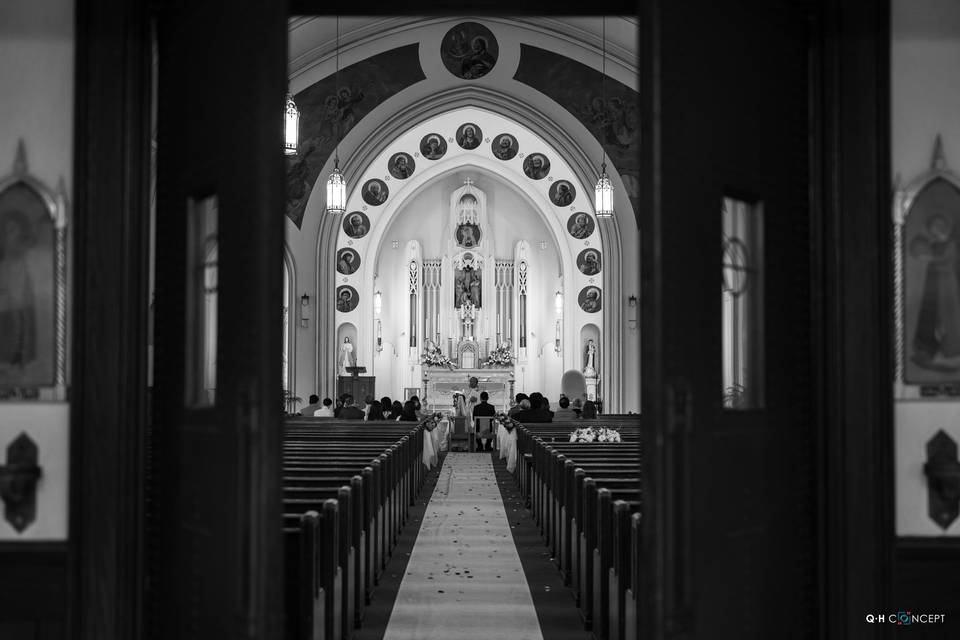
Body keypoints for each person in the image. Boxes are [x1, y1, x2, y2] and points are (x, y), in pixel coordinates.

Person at [0, 209, 37, 370]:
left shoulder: (24, 259)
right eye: (8, 231)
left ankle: (18, 360)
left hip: (20, 298)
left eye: (15, 230)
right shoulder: (3, 264)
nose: (12, 235)